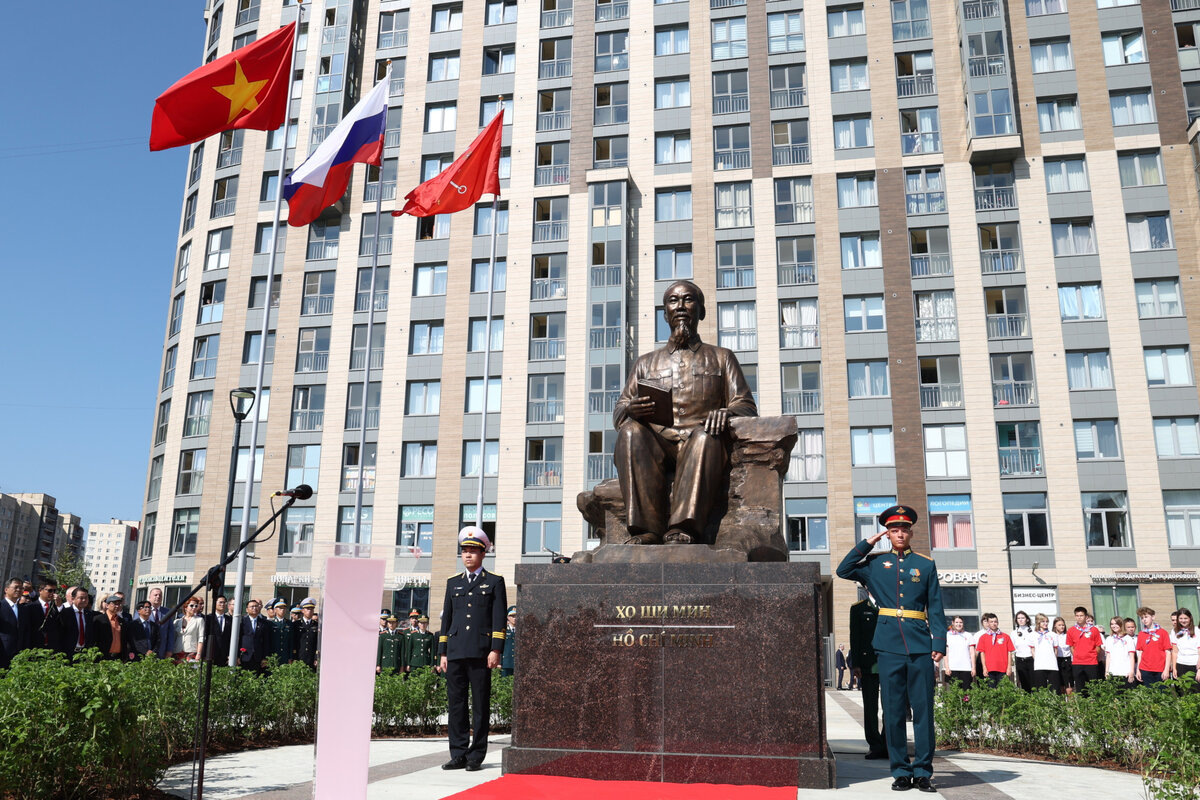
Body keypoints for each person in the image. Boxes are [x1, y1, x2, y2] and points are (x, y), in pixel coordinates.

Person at [612, 280, 757, 545]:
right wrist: (631, 409)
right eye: (673, 301)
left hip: (701, 443)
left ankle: (684, 527)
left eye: (688, 300)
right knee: (630, 432)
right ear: (665, 313)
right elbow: (620, 411)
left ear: (700, 311)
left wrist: (727, 412)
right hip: (657, 444)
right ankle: (646, 529)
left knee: (705, 435)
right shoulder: (645, 363)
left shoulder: (722, 357)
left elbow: (746, 405)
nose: (680, 306)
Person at [836, 504, 944, 793]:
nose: (899, 533)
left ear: (910, 533)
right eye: (894, 530)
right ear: (888, 533)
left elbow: (935, 607)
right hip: (887, 647)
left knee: (923, 712)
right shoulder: (873, 565)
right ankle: (900, 771)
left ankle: (923, 772)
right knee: (893, 712)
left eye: (904, 529)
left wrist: (939, 642)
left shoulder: (925, 565)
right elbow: (843, 570)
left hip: (920, 645)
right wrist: (867, 543)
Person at [438, 527, 508, 773]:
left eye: (472, 552)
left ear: (483, 554)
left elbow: (499, 619)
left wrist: (495, 649)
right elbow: (446, 621)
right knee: (456, 705)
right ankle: (457, 753)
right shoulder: (452, 583)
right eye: (464, 552)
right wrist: (442, 652)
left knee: (480, 705)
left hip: (480, 652)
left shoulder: (495, 582)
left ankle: (476, 755)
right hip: (455, 652)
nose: (467, 556)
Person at [849, 589, 886, 760]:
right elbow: (855, 637)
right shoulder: (858, 608)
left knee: (891, 706)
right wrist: (855, 663)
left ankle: (888, 743)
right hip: (868, 663)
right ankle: (874, 744)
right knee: (870, 706)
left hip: (889, 662)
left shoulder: (889, 605)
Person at [50, 587, 95, 660]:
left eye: (86, 598)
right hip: (67, 653)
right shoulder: (65, 612)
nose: (84, 600)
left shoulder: (89, 614)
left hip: (83, 654)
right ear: (73, 599)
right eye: (81, 598)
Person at [1065, 606, 1102, 694]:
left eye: (1081, 615)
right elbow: (1071, 646)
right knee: (1080, 689)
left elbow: (1098, 646)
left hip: (1091, 663)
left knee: (1093, 688)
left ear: (1086, 617)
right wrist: (1078, 655)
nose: (1079, 617)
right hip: (1077, 663)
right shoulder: (1071, 630)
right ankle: (1082, 707)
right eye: (1077, 615)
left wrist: (1091, 655)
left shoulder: (1094, 630)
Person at [974, 613, 1014, 688]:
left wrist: (1009, 667)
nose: (993, 623)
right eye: (991, 622)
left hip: (1003, 668)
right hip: (989, 669)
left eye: (995, 621)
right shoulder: (983, 637)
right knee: (991, 691)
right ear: (988, 623)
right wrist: (984, 667)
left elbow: (1009, 652)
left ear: (998, 623)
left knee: (1003, 691)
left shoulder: (1005, 636)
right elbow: (982, 653)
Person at [90, 595, 135, 661]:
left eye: (119, 604)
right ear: (107, 605)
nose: (117, 606)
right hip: (102, 657)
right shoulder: (98, 619)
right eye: (114, 603)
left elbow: (125, 639)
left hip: (118, 657)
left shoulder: (122, 621)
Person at [1134, 606, 1172, 686]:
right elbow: (1140, 653)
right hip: (1145, 669)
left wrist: (1166, 669)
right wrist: (1138, 670)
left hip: (1160, 669)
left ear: (1153, 617)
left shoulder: (1162, 632)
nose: (1144, 619)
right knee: (1149, 694)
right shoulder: (1141, 634)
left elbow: (1168, 652)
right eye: (1142, 618)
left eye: (1146, 617)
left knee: (1162, 694)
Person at [1031, 614, 1062, 692]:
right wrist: (1037, 659)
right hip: (1039, 666)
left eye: (1047, 621)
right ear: (1038, 622)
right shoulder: (1033, 635)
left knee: (1054, 689)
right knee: (1041, 689)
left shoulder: (1053, 635)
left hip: (1052, 665)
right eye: (1043, 622)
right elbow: (1032, 650)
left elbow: (1055, 650)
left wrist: (1053, 660)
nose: (1045, 623)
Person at [943, 615, 975, 689]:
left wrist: (973, 668)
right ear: (953, 623)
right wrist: (947, 667)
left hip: (966, 668)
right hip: (952, 668)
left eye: (961, 622)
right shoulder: (947, 635)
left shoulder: (968, 635)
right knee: (954, 692)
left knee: (966, 693)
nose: (959, 624)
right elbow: (945, 653)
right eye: (956, 622)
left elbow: (972, 653)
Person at [1102, 615, 1135, 686]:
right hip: (1113, 672)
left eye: (1116, 623)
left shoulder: (1128, 638)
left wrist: (1131, 671)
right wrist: (1107, 671)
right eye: (1112, 624)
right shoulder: (1109, 639)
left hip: (1125, 672)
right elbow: (1108, 656)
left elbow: (1131, 656)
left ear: (1121, 624)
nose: (1114, 626)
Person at [1170, 608, 1199, 689]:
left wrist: (1199, 669)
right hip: (1181, 665)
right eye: (1181, 618)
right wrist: (1174, 668)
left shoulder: (1197, 630)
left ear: (1190, 618)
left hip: (1195, 665)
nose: (1183, 621)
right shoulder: (1174, 631)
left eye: (1185, 618)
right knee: (1183, 691)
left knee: (1196, 690)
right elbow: (1175, 651)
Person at [239, 599, 270, 672]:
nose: (255, 608)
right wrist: (237, 656)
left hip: (258, 657)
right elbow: (238, 639)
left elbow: (266, 641)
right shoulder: (241, 621)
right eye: (252, 607)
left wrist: (265, 658)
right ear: (247, 609)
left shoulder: (264, 623)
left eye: (256, 606)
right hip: (244, 656)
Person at [0, 578, 25, 667]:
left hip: (19, 653)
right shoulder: (1, 606)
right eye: (16, 587)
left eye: (21, 588)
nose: (18, 590)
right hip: (3, 652)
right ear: (6, 589)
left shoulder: (23, 609)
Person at [173, 598, 205, 663]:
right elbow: (173, 638)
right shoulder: (177, 621)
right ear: (185, 607)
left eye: (196, 606)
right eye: (191, 605)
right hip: (177, 652)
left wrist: (198, 654)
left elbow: (201, 638)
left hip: (191, 653)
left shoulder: (199, 620)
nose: (194, 607)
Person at [147, 587, 176, 658]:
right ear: (149, 597)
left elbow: (170, 633)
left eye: (160, 595)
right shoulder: (141, 611)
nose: (158, 597)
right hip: (147, 650)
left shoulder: (167, 612)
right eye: (155, 595)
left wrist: (169, 650)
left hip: (162, 651)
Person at [1011, 610, 1034, 692]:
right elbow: (1012, 649)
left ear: (1027, 619)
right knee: (1024, 683)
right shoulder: (1013, 633)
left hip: (1031, 659)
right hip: (1020, 660)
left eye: (1023, 618)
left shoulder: (1033, 632)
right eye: (1018, 618)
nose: (1020, 620)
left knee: (1034, 683)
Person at [207, 595, 234, 666]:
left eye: (224, 602)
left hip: (225, 655)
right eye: (220, 602)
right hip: (211, 654)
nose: (222, 604)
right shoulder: (208, 618)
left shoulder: (230, 619)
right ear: (215, 603)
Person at [293, 597, 319, 668]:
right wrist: (294, 657)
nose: (310, 611)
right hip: (299, 656)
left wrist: (316, 658)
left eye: (312, 609)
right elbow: (293, 642)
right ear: (302, 610)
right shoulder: (296, 624)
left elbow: (318, 643)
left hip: (311, 658)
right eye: (307, 609)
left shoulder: (316, 625)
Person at [268, 599, 294, 665]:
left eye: (284, 608)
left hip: (285, 656)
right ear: (275, 610)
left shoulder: (289, 623)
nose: (282, 610)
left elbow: (291, 641)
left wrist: (290, 657)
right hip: (273, 656)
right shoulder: (270, 623)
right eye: (280, 608)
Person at [1052, 616, 1073, 694]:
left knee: (1069, 684)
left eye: (1063, 625)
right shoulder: (1052, 635)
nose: (1062, 627)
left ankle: (1071, 704)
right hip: (1057, 660)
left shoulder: (1067, 635)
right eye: (1059, 625)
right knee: (1059, 684)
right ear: (1055, 626)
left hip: (1067, 660)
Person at [500, 606, 516, 677]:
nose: (515, 618)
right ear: (508, 617)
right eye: (512, 616)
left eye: (516, 616)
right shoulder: (504, 631)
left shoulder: (522, 632)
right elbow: (500, 646)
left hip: (517, 664)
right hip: (506, 662)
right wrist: (499, 662)